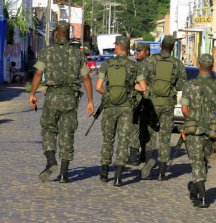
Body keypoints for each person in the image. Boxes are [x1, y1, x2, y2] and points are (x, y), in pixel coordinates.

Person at [28, 21, 94, 183]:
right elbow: (85, 77)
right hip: (71, 98)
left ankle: (51, 160)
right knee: (67, 133)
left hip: (52, 97)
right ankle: (64, 174)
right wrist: (90, 101)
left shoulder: (47, 51)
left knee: (49, 129)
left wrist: (32, 93)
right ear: (68, 34)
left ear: (57, 33)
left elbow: (38, 74)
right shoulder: (78, 53)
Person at [95, 36, 147, 187]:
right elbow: (143, 88)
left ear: (118, 47)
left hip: (110, 107)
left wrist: (109, 95)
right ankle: (118, 177)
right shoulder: (134, 66)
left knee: (108, 139)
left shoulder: (107, 64)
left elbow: (98, 87)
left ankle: (104, 173)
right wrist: (129, 88)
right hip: (126, 108)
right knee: (123, 140)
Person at [181, 53, 216, 208]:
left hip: (193, 127)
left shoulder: (189, 85)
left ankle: (202, 196)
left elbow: (184, 109)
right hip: (210, 127)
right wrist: (210, 109)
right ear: (213, 66)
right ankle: (196, 189)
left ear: (198, 65)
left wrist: (194, 116)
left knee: (196, 162)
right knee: (203, 160)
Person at [139, 35, 187, 181]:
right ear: (172, 48)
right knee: (165, 137)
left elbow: (141, 79)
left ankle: (149, 159)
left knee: (150, 134)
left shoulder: (150, 60)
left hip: (152, 103)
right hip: (168, 103)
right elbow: (181, 85)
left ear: (161, 45)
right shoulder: (177, 64)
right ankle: (162, 171)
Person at [126, 42, 151, 166]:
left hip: (144, 99)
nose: (137, 53)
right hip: (142, 100)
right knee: (140, 128)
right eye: (136, 51)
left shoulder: (146, 65)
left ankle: (135, 156)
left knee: (137, 129)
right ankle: (141, 155)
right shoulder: (137, 65)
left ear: (147, 52)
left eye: (140, 51)